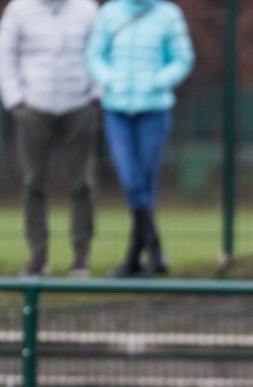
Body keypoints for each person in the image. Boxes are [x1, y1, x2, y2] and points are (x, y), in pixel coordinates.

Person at [0, 0, 102, 277]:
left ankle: (80, 256)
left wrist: (95, 94)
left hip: (79, 104)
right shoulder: (19, 9)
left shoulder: (87, 9)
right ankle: (38, 254)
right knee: (34, 182)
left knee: (82, 183)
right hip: (34, 106)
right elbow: (3, 55)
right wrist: (15, 99)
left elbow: (101, 51)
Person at [84, 0, 193, 277]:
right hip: (117, 109)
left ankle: (134, 258)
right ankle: (154, 251)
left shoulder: (168, 15)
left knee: (144, 181)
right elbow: (94, 55)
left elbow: (182, 58)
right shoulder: (110, 13)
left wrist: (158, 81)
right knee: (130, 178)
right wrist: (110, 79)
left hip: (154, 110)